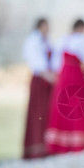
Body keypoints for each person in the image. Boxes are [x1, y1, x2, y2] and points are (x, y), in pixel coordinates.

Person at [45, 19, 84, 154]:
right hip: (76, 76)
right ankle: (79, 143)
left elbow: (55, 63)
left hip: (63, 77)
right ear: (81, 28)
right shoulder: (81, 40)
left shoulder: (62, 40)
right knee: (78, 106)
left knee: (64, 106)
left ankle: (62, 144)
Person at [22, 18, 55, 159]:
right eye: (46, 26)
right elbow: (36, 63)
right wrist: (50, 77)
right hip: (39, 81)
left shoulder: (46, 41)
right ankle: (35, 148)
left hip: (46, 81)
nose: (47, 29)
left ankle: (46, 146)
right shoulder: (33, 40)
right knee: (38, 114)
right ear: (40, 26)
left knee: (46, 113)